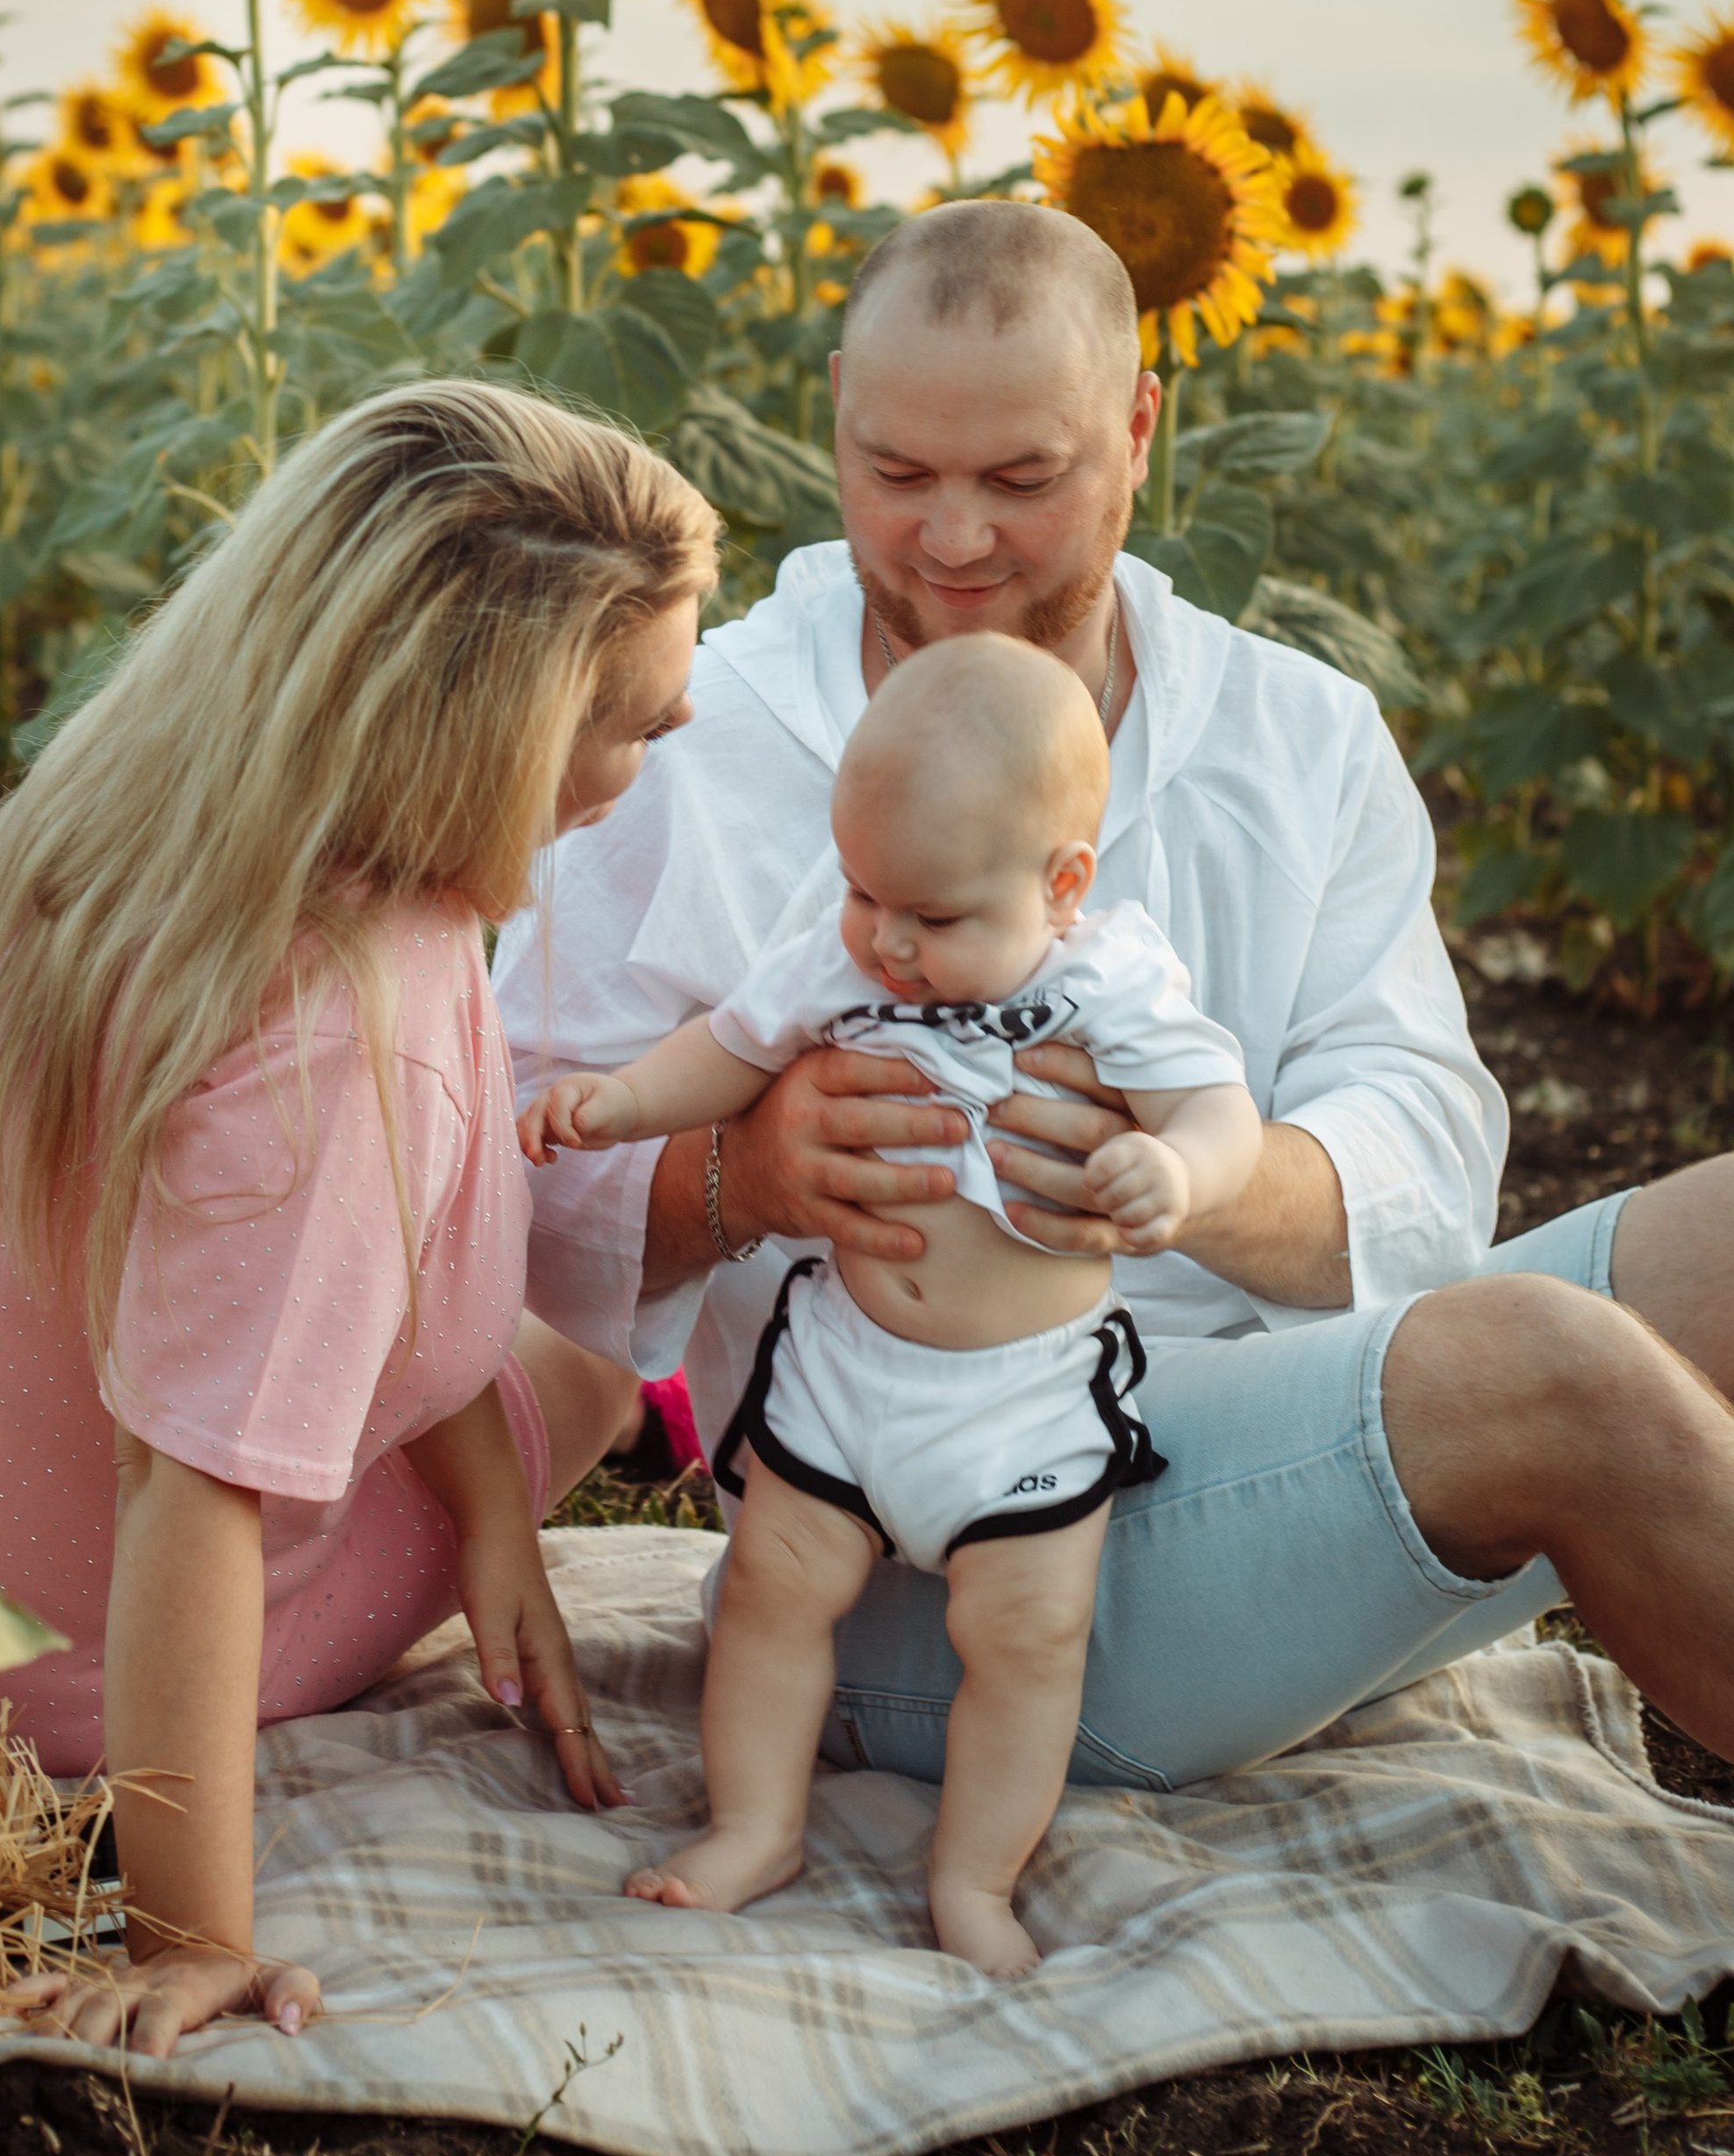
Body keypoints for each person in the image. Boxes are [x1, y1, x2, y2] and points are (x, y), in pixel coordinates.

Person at [498, 198, 1734, 1800]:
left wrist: (1182, 1181)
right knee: (1554, 1375)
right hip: (930, 1578)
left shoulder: (1297, 735)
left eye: (1023, 479)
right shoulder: (687, 743)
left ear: (1141, 425)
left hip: (1263, 1440)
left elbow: (1425, 1150)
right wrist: (754, 1173)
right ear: (832, 416)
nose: (952, 540)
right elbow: (511, 1194)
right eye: (896, 474)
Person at [0, 382, 719, 2052]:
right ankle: (613, 1412)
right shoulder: (361, 1021)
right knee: (588, 1349)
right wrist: (191, 1935)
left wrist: (492, 1524)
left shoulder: (141, 813)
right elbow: (189, 1495)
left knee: (390, 1323)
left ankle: (467, 1439)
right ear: (502, 730)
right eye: (639, 724)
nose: (663, 752)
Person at [521, 634, 1259, 1970]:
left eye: (934, 916)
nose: (891, 943)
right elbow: (730, 1049)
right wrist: (624, 1103)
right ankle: (756, 1825)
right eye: (867, 896)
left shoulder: (1109, 983)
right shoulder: (845, 950)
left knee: (1028, 1639)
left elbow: (1218, 1109)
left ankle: (974, 1881)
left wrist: (1180, 1168)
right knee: (767, 1589)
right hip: (852, 1371)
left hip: (1022, 1398)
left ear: (1064, 883)